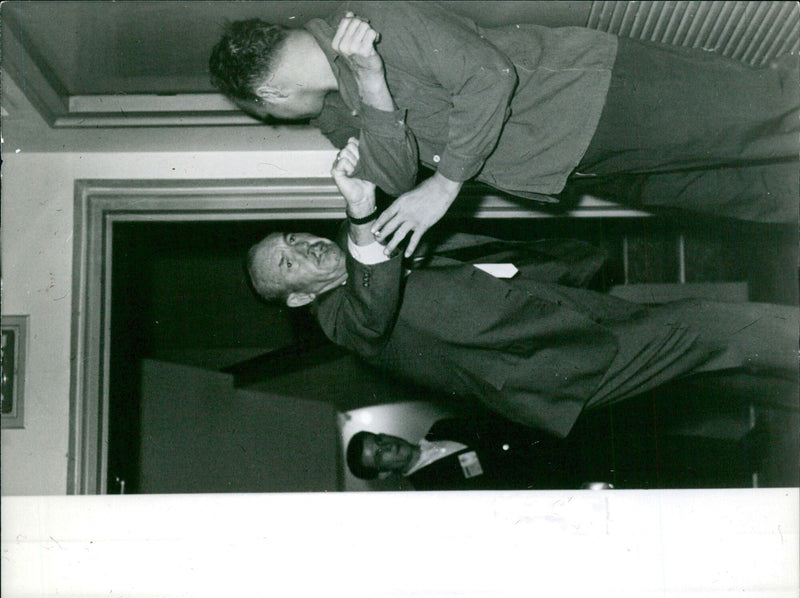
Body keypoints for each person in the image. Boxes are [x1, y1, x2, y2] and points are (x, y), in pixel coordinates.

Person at [245, 139, 799, 439]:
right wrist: (361, 210)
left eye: (293, 238)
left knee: (704, 335)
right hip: (554, 363)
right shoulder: (340, 320)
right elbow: (374, 307)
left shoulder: (365, 236)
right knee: (712, 324)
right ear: (297, 297)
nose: (304, 249)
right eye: (289, 265)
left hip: (557, 310)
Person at [210, 1, 800, 258]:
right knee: (746, 193)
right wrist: (372, 86)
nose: (278, 121)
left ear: (270, 94)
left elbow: (490, 77)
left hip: (602, 95)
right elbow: (394, 179)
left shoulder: (375, 17)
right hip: (576, 159)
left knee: (773, 108)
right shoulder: (341, 113)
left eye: (266, 115)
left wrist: (444, 186)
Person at [346, 415, 583, 491]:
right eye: (379, 456)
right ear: (384, 474)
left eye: (379, 440)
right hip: (562, 481)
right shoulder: (433, 492)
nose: (386, 446)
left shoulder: (442, 427)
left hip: (564, 433)